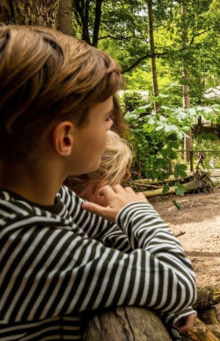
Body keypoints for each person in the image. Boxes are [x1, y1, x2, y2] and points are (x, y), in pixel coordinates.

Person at [0, 25, 197, 340]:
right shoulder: (22, 237)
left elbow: (109, 235)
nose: (111, 127)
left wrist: (159, 294)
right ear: (65, 138)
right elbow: (178, 281)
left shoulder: (54, 199)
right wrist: (139, 213)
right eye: (105, 118)